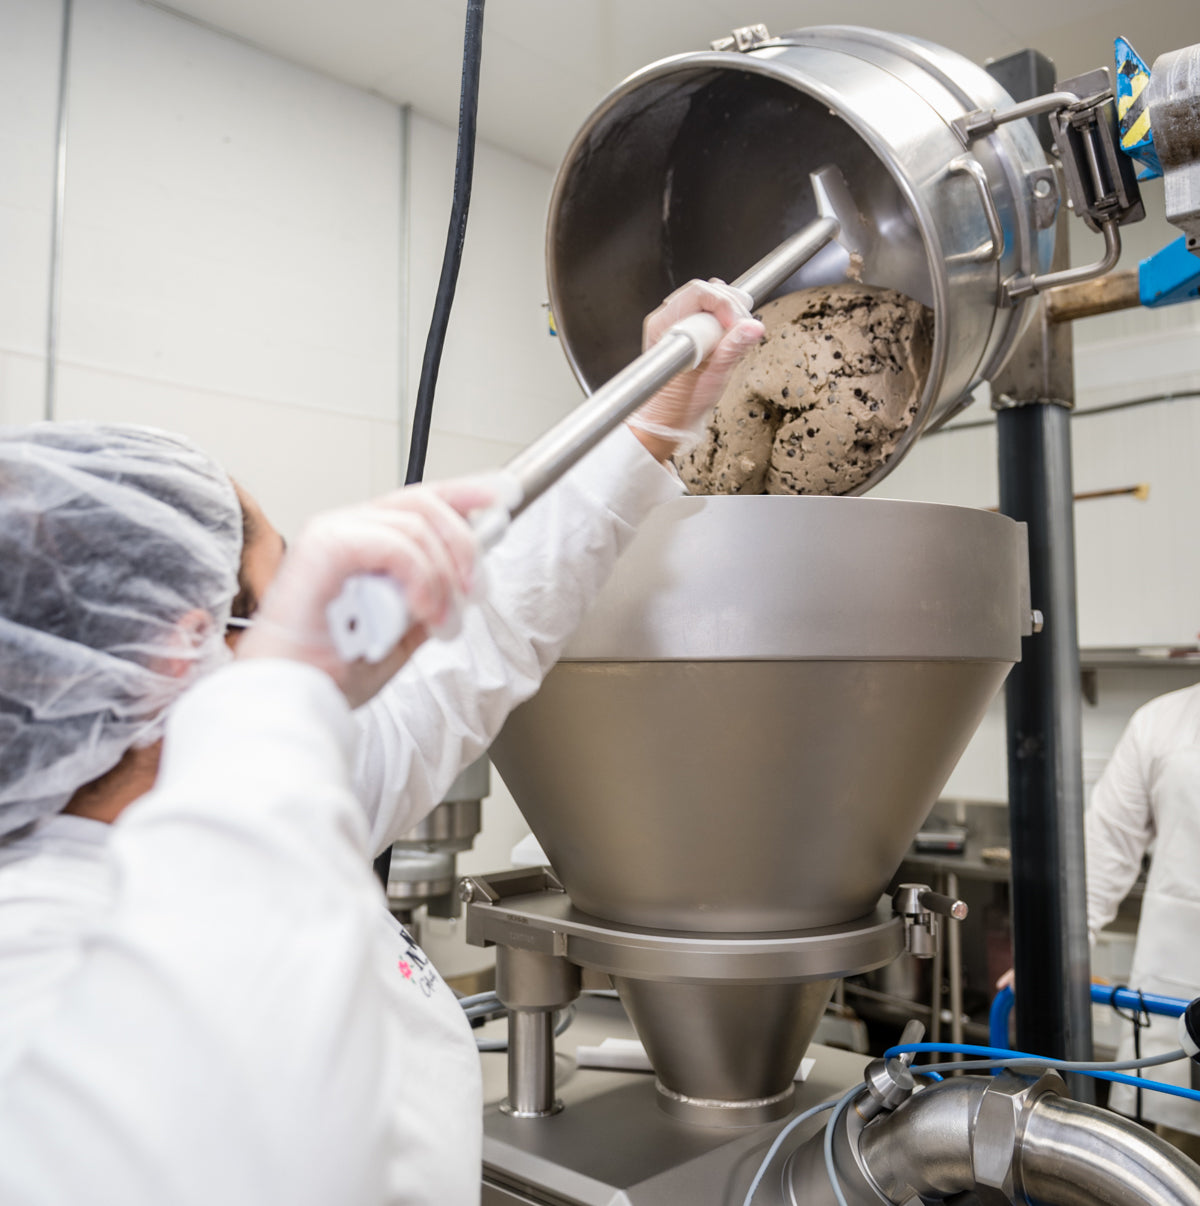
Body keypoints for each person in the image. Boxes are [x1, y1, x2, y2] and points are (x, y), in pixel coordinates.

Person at [0, 280, 763, 1205]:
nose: (307, 641)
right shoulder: (43, 972)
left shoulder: (227, 797)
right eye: (278, 599)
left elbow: (472, 649)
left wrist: (650, 421)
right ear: (177, 652)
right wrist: (288, 686)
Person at [1084, 682, 1200, 1160]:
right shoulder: (1161, 722)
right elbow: (1104, 850)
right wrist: (1058, 954)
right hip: (1179, 994)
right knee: (1178, 1168)